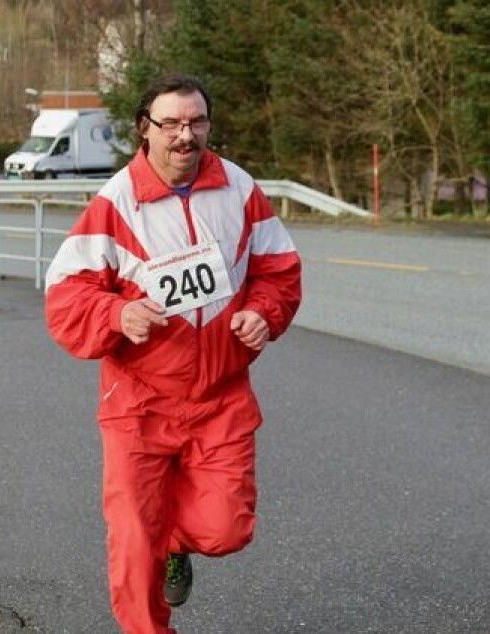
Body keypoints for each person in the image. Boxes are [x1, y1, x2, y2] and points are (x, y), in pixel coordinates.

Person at [45, 74, 302, 633]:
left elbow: (278, 269)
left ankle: (178, 542)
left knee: (226, 530)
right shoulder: (115, 203)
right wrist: (116, 314)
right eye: (171, 125)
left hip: (220, 395)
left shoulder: (238, 188)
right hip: (139, 401)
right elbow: (65, 299)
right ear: (146, 129)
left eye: (196, 123)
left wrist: (263, 312)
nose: (185, 136)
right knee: (136, 541)